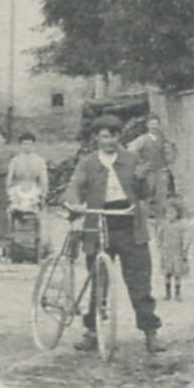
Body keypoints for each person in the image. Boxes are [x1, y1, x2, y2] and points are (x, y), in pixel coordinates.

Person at [62, 115, 163, 353]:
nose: (109, 141)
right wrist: (74, 203)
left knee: (140, 282)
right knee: (98, 281)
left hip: (130, 224)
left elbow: (144, 193)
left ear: (119, 137)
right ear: (96, 138)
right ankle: (93, 332)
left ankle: (150, 333)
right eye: (104, 136)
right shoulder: (87, 163)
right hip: (98, 223)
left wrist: (140, 179)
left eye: (114, 136)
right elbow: (75, 186)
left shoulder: (132, 159)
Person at [129, 114, 177, 226]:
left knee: (162, 197)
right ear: (147, 126)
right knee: (146, 196)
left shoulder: (163, 138)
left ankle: (161, 220)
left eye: (156, 124)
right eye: (152, 124)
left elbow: (171, 152)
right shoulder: (142, 139)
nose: (154, 126)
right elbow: (131, 150)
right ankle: (144, 221)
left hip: (161, 170)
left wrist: (170, 153)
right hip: (149, 172)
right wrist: (141, 164)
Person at [156, 200, 189, 301]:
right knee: (167, 273)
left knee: (177, 273)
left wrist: (184, 248)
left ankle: (177, 293)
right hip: (166, 251)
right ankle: (167, 293)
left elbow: (185, 237)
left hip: (177, 252)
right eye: (167, 213)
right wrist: (159, 246)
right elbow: (158, 236)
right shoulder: (163, 225)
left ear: (178, 213)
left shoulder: (181, 225)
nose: (169, 215)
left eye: (172, 213)